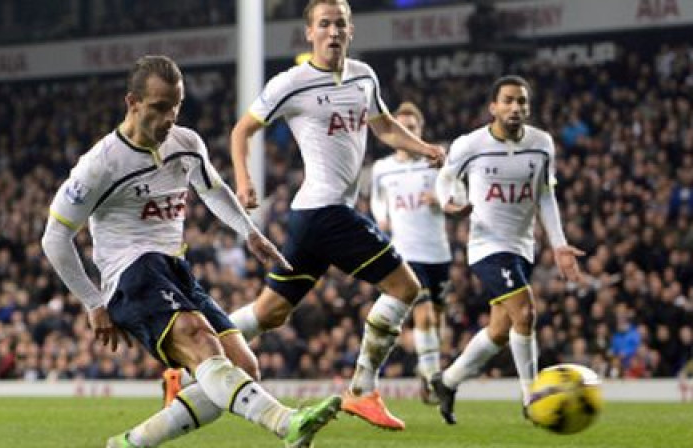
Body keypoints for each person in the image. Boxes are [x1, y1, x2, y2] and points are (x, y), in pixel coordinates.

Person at [41, 54, 340, 448]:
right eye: (159, 108)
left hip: (174, 268)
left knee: (243, 365)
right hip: (130, 274)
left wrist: (250, 234)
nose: (169, 118)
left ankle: (131, 444)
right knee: (201, 340)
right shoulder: (100, 165)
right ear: (132, 103)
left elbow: (213, 189)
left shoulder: (187, 143)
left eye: (176, 107)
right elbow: (54, 238)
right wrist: (93, 303)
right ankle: (287, 423)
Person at [227, 0, 445, 431]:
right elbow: (243, 129)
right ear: (309, 33)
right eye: (323, 24)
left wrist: (424, 149)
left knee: (270, 312)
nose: (332, 31)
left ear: (350, 30)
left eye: (339, 24)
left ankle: (189, 357)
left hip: (311, 217)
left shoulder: (364, 76)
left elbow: (382, 125)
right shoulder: (292, 82)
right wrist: (244, 179)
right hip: (325, 211)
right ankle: (362, 391)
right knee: (406, 288)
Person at [430, 75, 585, 425]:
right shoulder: (471, 144)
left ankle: (448, 381)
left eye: (522, 102)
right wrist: (448, 200)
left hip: (522, 245)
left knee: (501, 330)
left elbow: (545, 195)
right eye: (509, 100)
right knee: (526, 313)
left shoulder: (542, 144)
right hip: (486, 244)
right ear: (493, 107)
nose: (516, 107)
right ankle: (532, 397)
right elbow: (446, 176)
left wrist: (559, 246)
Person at [369, 101, 453, 404]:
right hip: (406, 252)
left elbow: (459, 195)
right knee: (425, 316)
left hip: (439, 252)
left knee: (437, 323)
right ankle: (433, 381)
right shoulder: (382, 169)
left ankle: (427, 367)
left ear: (421, 131)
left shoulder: (436, 163)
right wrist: (381, 218)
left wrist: (443, 199)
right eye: (403, 128)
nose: (408, 132)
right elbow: (378, 201)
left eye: (413, 128)